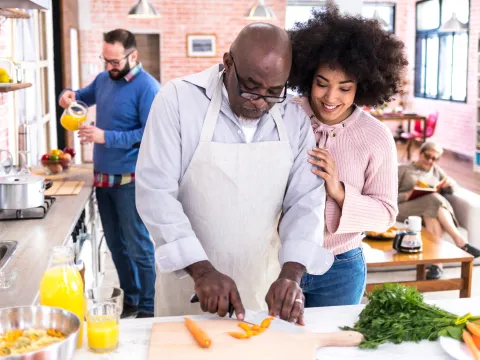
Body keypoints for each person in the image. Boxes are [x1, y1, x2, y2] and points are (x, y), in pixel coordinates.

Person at [136, 23, 334, 323]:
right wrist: (201, 270)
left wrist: (291, 275)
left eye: (273, 92)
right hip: (188, 285)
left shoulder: (293, 119)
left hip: (263, 287)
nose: (259, 101)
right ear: (228, 63)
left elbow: (306, 202)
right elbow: (155, 192)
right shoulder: (177, 101)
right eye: (251, 86)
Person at [288, 6, 405, 307]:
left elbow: (385, 215)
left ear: (363, 87)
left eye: (345, 88)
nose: (330, 98)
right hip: (280, 261)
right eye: (322, 83)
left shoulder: (376, 137)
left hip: (340, 267)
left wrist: (339, 192)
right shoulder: (285, 115)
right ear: (307, 76)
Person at [59, 29, 161, 318]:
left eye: (115, 61)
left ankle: (149, 308)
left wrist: (105, 137)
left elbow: (150, 134)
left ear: (133, 56)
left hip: (131, 181)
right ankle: (131, 301)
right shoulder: (104, 80)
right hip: (103, 180)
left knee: (139, 247)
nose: (109, 67)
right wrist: (66, 96)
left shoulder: (148, 88)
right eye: (106, 60)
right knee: (116, 247)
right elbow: (77, 96)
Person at [398, 141, 480, 279]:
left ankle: (436, 265)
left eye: (434, 159)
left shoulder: (435, 170)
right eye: (427, 156)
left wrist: (450, 184)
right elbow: (388, 196)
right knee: (433, 199)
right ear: (420, 153)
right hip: (404, 209)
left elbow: (454, 188)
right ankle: (460, 241)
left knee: (432, 215)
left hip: (425, 211)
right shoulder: (404, 170)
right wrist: (407, 194)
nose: (430, 161)